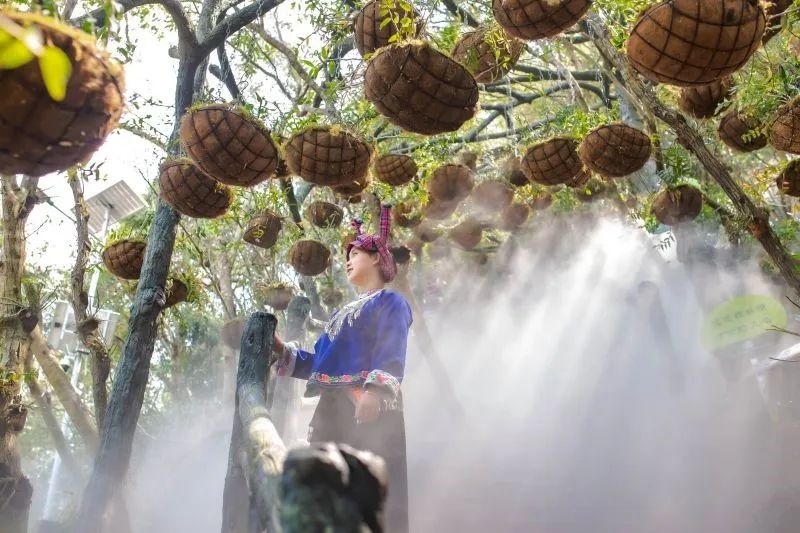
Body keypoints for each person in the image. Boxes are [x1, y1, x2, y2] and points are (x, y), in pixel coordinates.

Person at [272, 204, 413, 532]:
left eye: (355, 253)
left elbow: (391, 348)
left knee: (368, 485)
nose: (348, 259)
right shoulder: (340, 314)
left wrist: (375, 392)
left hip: (368, 406)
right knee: (326, 484)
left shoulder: (390, 302)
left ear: (376, 258)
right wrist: (282, 351)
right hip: (331, 409)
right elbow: (320, 364)